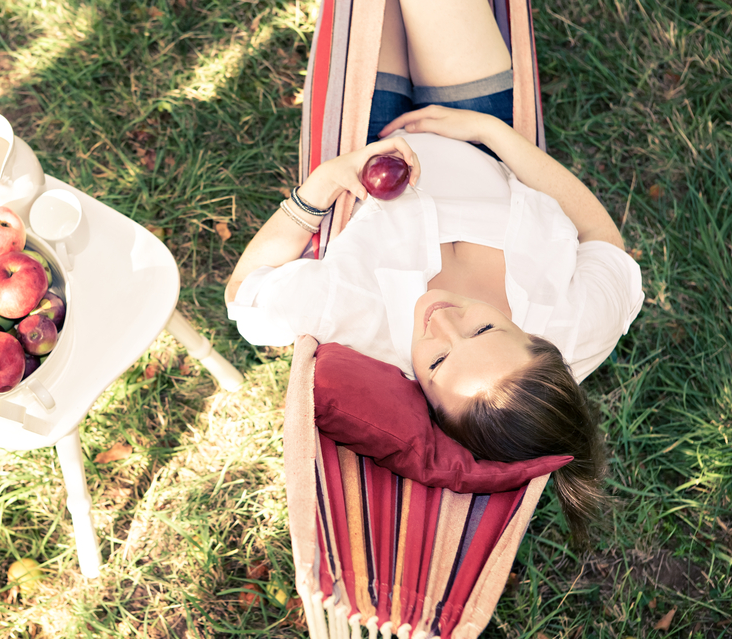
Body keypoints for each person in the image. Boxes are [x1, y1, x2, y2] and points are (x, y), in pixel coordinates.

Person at [224, 0, 644, 544]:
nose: (441, 321)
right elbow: (604, 242)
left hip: (362, 140)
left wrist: (324, 183)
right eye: (484, 329)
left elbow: (244, 295)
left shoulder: (362, 325)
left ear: (428, 402)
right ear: (537, 339)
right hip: (480, 132)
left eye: (439, 361)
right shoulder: (580, 324)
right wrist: (496, 135)